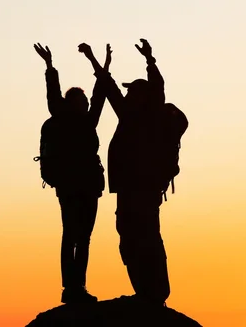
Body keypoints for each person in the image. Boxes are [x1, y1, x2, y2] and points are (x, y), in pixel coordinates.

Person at [78, 39, 187, 307]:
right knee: (129, 237)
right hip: (129, 189)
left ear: (143, 96)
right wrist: (93, 59)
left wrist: (150, 60)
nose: (126, 95)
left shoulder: (150, 115)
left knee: (146, 237)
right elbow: (109, 85)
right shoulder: (128, 113)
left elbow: (157, 89)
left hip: (144, 189)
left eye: (132, 92)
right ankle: (145, 292)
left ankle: (156, 294)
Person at [33, 43, 110, 304]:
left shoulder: (87, 119)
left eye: (86, 101)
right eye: (83, 101)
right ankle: (72, 288)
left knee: (80, 237)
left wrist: (100, 63)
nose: (87, 104)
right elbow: (53, 95)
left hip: (85, 187)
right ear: (72, 103)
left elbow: (100, 95)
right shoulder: (64, 117)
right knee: (74, 236)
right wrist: (49, 66)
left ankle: (76, 287)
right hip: (74, 186)